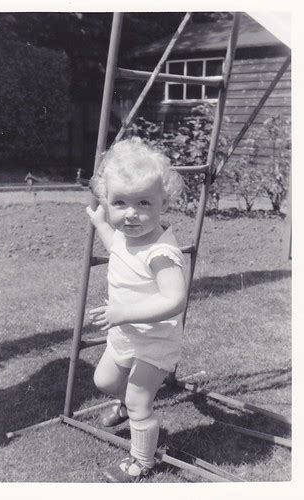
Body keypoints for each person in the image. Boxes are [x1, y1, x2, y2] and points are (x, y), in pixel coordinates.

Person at [86, 138, 187, 482]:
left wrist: (123, 313)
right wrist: (101, 224)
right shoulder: (129, 237)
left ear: (164, 201)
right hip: (126, 332)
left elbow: (174, 300)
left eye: (144, 202)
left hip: (155, 338)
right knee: (104, 380)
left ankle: (143, 460)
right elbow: (115, 246)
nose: (131, 214)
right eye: (120, 203)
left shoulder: (161, 252)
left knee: (139, 400)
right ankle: (126, 406)